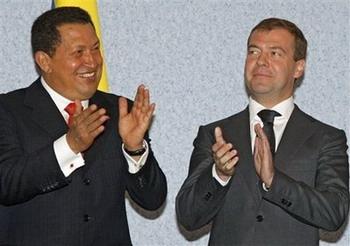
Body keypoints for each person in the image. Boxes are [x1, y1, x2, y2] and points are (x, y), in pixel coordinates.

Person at [0, 7, 167, 245]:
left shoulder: (121, 110)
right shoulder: (8, 110)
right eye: (78, 52)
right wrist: (70, 145)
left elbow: (152, 199)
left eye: (95, 49)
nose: (92, 61)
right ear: (44, 61)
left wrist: (134, 148)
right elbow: (7, 183)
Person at [176, 17, 349, 245]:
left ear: (299, 67)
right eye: (254, 52)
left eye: (275, 53)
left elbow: (333, 214)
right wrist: (219, 175)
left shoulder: (326, 138)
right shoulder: (215, 134)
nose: (261, 62)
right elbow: (189, 216)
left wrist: (273, 181)